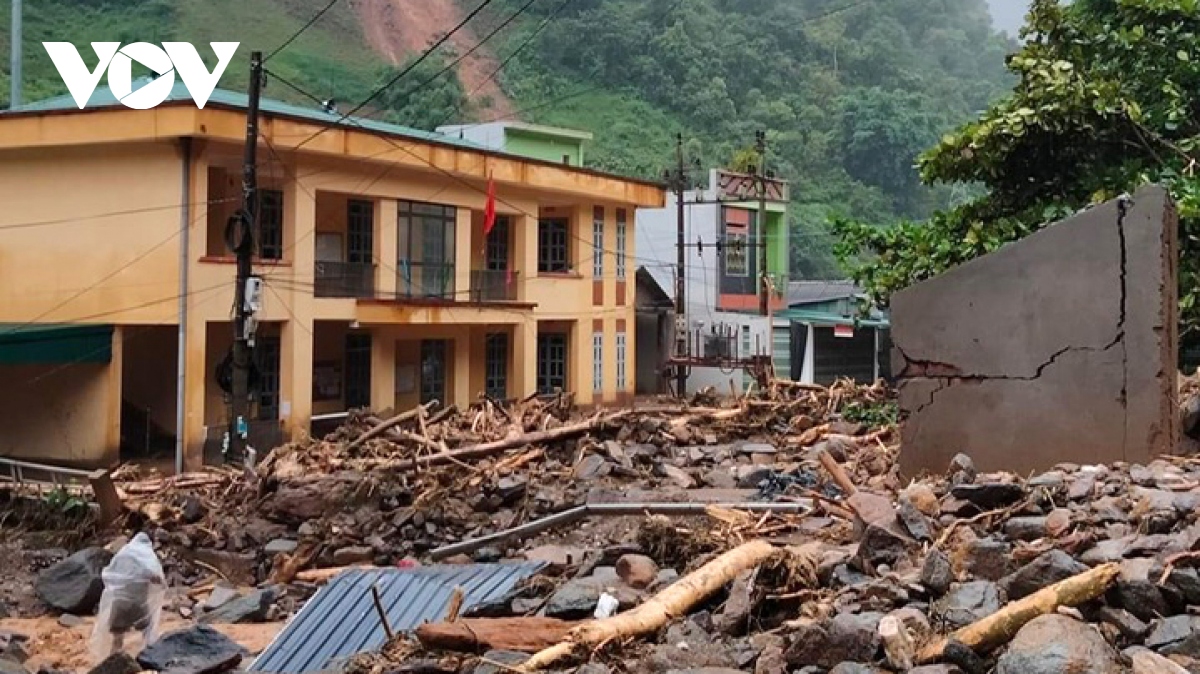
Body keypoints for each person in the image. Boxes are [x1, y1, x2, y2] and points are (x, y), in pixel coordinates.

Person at [91, 533, 166, 659]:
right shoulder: (148, 557)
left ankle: (113, 663)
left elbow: (109, 573)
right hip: (138, 603)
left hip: (120, 603)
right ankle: (150, 659)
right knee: (147, 631)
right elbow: (157, 578)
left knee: (117, 638)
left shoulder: (123, 553)